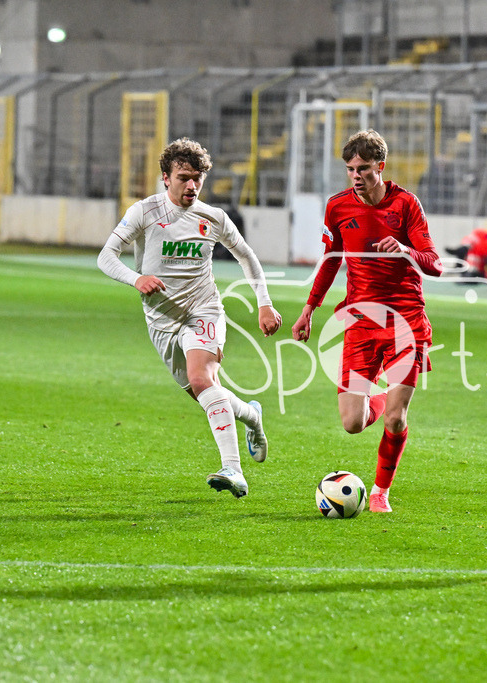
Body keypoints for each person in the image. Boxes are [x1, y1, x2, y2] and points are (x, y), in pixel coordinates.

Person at [97, 137, 281, 498]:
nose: (192, 185)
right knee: (203, 393)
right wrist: (137, 279)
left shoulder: (213, 217)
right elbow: (106, 256)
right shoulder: (145, 212)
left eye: (198, 178)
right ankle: (252, 417)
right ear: (165, 177)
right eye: (184, 177)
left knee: (202, 378)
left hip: (203, 309)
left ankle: (233, 470)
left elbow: (247, 255)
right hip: (162, 321)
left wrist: (264, 302)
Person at [291, 129, 442, 513]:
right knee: (352, 423)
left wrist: (406, 250)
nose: (356, 175)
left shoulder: (406, 205)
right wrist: (310, 308)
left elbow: (435, 265)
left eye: (363, 168)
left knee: (395, 419)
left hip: (405, 320)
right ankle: (379, 396)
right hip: (360, 321)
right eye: (350, 169)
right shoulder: (338, 207)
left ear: (381, 167)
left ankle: (380, 491)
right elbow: (330, 261)